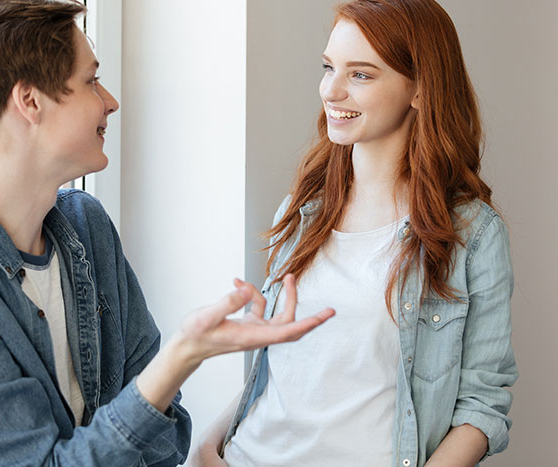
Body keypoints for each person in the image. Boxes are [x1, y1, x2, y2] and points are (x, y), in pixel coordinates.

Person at [0, 1, 336, 465]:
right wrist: (181, 356)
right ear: (29, 101)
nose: (110, 100)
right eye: (90, 81)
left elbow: (166, 436)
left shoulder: (86, 227)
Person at [191, 0, 517, 466]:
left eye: (360, 74)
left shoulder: (472, 235)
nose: (331, 90)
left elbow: (482, 405)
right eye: (328, 68)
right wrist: (209, 445)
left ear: (420, 89)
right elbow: (285, 373)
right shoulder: (302, 211)